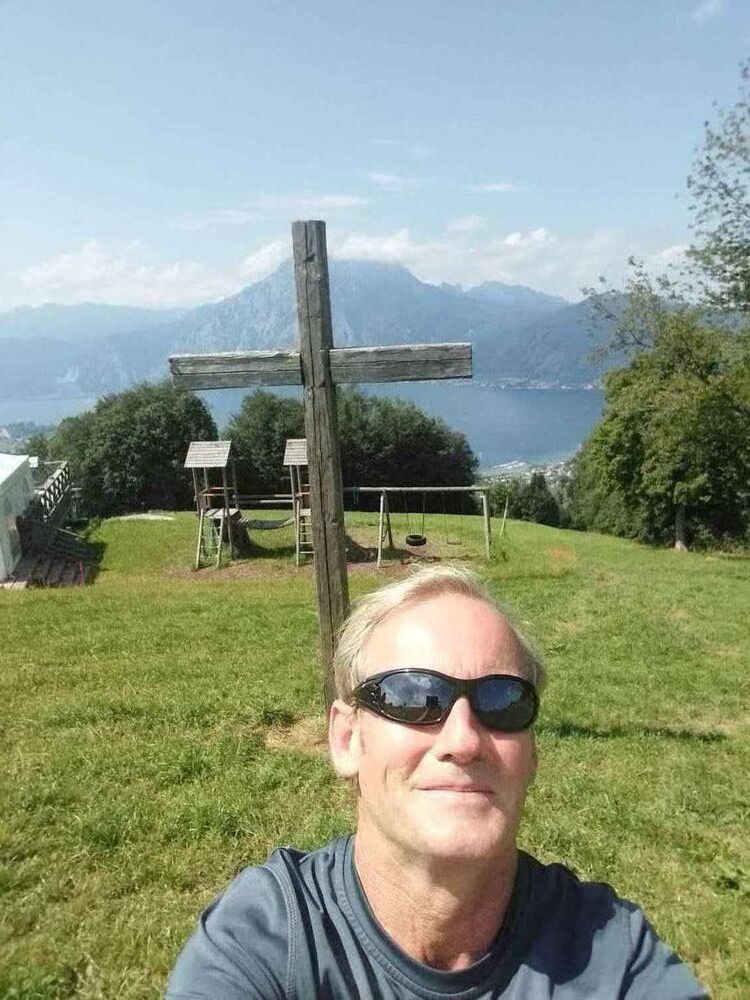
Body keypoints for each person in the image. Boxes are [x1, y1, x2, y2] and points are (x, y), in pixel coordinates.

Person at [166, 565, 706, 999]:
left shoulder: (609, 953)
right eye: (414, 697)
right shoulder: (267, 943)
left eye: (503, 701)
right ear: (347, 739)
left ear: (532, 754)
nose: (464, 740)